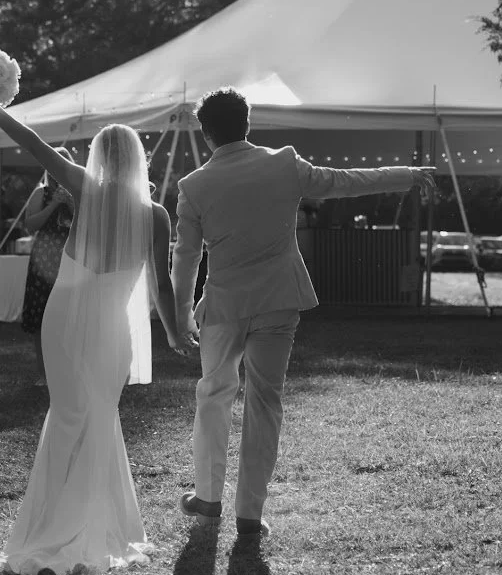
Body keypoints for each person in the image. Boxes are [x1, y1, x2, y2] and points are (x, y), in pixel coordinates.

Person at [171, 87, 436, 540]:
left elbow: (187, 259)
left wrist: (180, 317)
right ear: (247, 123)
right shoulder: (283, 164)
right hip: (279, 300)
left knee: (213, 396)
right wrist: (410, 173)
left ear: (206, 132)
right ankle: (250, 513)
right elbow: (345, 181)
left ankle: (208, 498)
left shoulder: (193, 186)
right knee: (265, 402)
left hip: (225, 306)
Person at [0, 99, 189, 575]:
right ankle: (82, 524)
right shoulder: (155, 214)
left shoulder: (82, 188)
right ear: (138, 158)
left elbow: (32, 144)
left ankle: (54, 523)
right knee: (96, 414)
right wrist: (175, 335)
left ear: (98, 155)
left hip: (65, 317)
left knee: (70, 412)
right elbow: (162, 284)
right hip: (111, 326)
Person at [20, 149, 76, 386]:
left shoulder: (78, 191)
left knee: (70, 317)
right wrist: (53, 204)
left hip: (71, 259)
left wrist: (71, 202)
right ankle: (44, 373)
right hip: (44, 259)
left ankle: (69, 371)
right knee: (41, 317)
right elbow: (30, 225)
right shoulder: (40, 193)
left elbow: (87, 223)